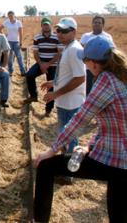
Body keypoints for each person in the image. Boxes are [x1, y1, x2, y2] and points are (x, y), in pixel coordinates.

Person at [33, 36, 127, 223]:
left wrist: (52, 150)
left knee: (46, 167)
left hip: (113, 160)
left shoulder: (106, 79)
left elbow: (81, 118)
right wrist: (89, 148)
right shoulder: (121, 77)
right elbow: (110, 125)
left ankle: (38, 220)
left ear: (92, 63)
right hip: (121, 161)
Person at [42, 17, 86, 155]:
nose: (60, 33)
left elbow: (80, 78)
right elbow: (69, 74)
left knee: (70, 138)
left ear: (73, 32)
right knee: (64, 136)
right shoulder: (68, 47)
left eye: (64, 31)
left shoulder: (74, 50)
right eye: (58, 30)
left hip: (71, 104)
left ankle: (69, 172)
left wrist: (55, 93)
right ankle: (65, 162)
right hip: (64, 103)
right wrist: (53, 83)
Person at [23, 17, 63, 117]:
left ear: (50, 25)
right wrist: (41, 64)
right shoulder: (37, 37)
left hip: (53, 65)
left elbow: (59, 53)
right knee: (29, 75)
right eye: (44, 24)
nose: (46, 26)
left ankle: (48, 110)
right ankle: (33, 96)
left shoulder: (57, 37)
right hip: (41, 63)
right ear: (41, 26)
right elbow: (35, 52)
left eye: (47, 24)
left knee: (51, 87)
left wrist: (48, 64)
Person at [80, 15, 114, 95]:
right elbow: (81, 50)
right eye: (95, 22)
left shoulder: (107, 37)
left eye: (99, 22)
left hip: (103, 68)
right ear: (92, 24)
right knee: (88, 91)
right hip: (88, 69)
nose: (97, 24)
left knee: (102, 91)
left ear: (103, 25)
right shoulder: (86, 36)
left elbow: (112, 51)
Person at [0, 11, 26, 76]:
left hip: (16, 42)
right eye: (9, 16)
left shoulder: (18, 23)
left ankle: (23, 71)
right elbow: (0, 29)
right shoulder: (6, 22)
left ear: (14, 15)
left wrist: (20, 42)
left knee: (19, 57)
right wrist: (4, 35)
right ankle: (10, 71)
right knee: (10, 58)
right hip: (9, 42)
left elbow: (20, 33)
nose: (10, 17)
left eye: (11, 15)